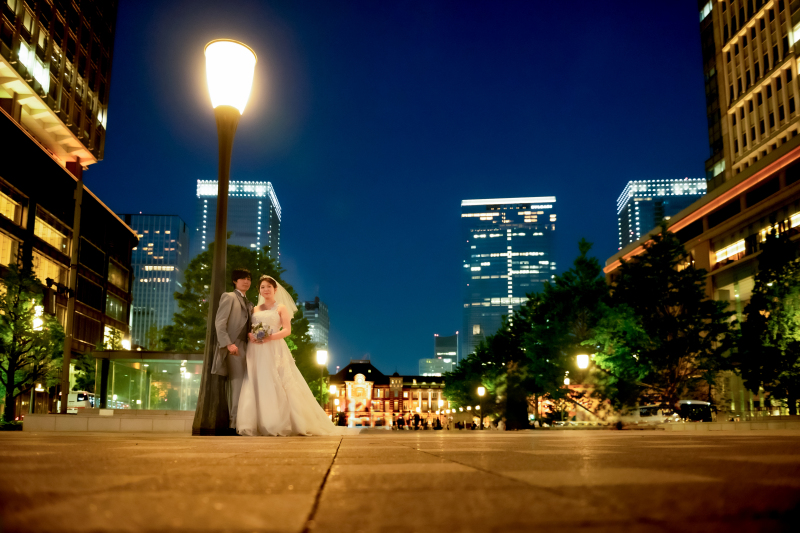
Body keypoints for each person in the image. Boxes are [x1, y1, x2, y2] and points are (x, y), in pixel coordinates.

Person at [236, 275, 335, 436]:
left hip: (274, 347)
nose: (266, 290)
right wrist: (250, 335)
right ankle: (258, 422)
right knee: (257, 380)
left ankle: (279, 422)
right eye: (262, 287)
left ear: (275, 289)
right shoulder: (254, 309)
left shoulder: (281, 307)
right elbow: (248, 327)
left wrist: (270, 337)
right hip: (255, 349)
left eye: (269, 287)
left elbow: (287, 330)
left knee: (278, 381)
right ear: (259, 290)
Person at [211, 268, 253, 431]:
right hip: (234, 346)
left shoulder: (249, 302)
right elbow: (220, 323)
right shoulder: (229, 297)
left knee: (246, 384)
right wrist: (228, 344)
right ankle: (234, 424)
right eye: (242, 278)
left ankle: (243, 421)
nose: (246, 281)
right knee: (237, 384)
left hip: (248, 347)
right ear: (235, 281)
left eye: (248, 279)